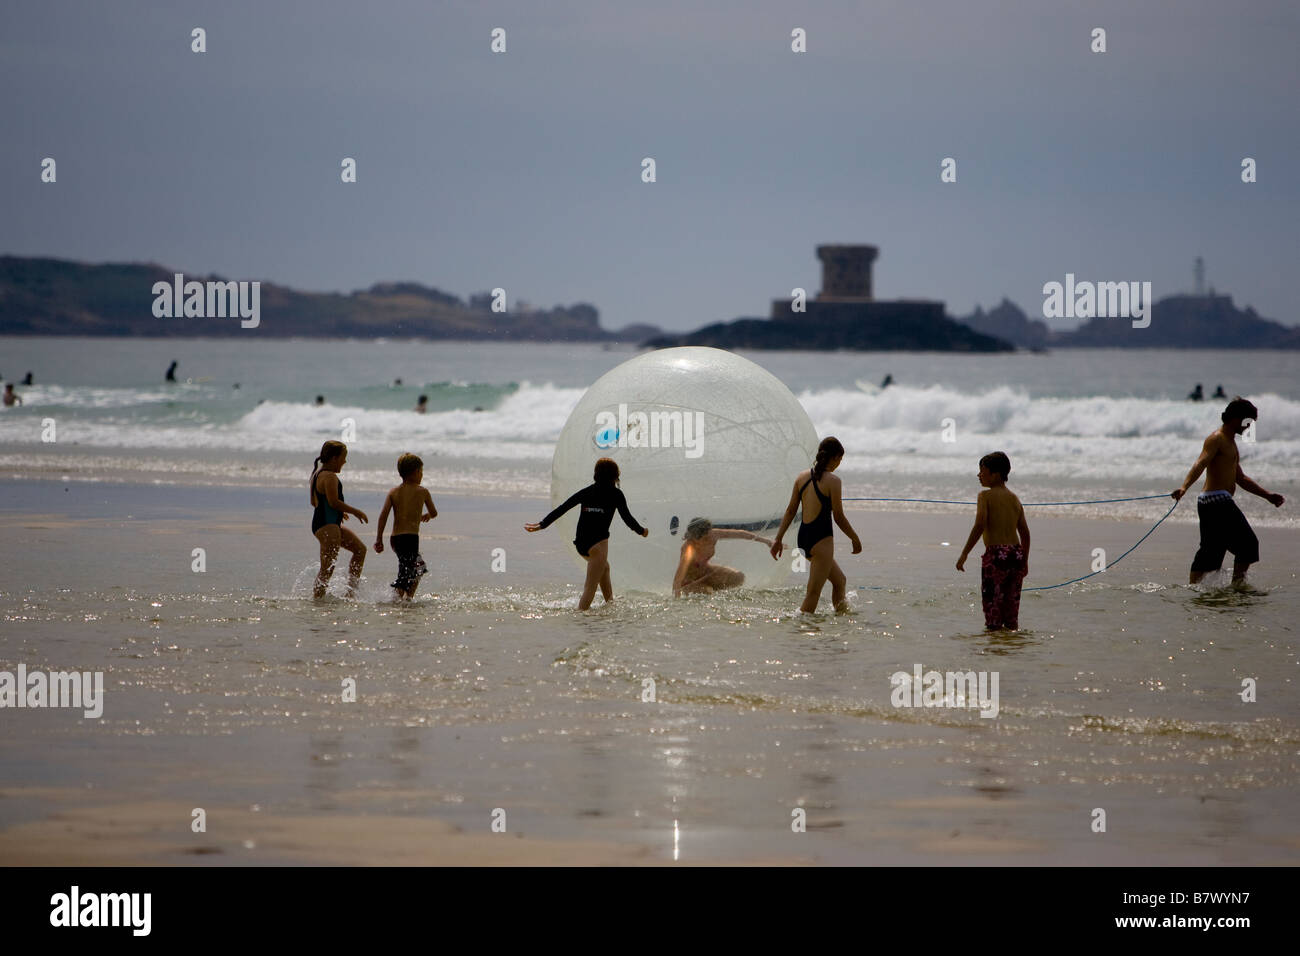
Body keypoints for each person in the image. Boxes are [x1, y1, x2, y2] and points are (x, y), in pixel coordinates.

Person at [1172, 396, 1284, 585]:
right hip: (1217, 501)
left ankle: (1194, 588)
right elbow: (1201, 463)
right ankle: (1237, 586)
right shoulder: (1217, 439)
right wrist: (1184, 487)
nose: (1249, 427)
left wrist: (1267, 496)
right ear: (1236, 418)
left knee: (1212, 549)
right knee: (1247, 545)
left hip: (1213, 503)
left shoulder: (1231, 443)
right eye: (1248, 422)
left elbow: (1240, 478)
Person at [525, 457, 648, 610]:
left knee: (604, 568)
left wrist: (542, 524)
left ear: (596, 474)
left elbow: (563, 507)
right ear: (615, 476)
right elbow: (627, 518)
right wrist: (642, 531)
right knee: (589, 589)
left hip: (581, 544)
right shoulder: (616, 494)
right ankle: (580, 618)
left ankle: (610, 604)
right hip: (598, 546)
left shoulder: (587, 491)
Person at [770, 437, 862, 613]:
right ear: (834, 458)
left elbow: (790, 511)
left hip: (804, 538)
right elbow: (839, 517)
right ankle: (800, 630)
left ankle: (841, 618)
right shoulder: (834, 481)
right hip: (821, 540)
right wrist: (854, 538)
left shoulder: (801, 477)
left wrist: (778, 539)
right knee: (813, 593)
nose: (839, 464)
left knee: (839, 581)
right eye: (840, 460)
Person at [956, 452, 1031, 630]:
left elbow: (980, 525)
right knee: (1011, 611)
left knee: (993, 609)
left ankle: (994, 650)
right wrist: (1025, 561)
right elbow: (1025, 533)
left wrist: (964, 553)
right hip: (1016, 554)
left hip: (997, 556)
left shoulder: (985, 496)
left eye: (982, 471)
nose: (979, 475)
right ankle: (1010, 646)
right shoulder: (1014, 498)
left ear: (995, 474)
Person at [309, 440, 368, 598]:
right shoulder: (330, 477)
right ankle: (318, 600)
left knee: (360, 550)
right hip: (327, 526)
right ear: (334, 458)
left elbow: (315, 501)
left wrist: (340, 513)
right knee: (327, 568)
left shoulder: (317, 475)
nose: (344, 461)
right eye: (343, 457)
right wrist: (355, 511)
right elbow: (333, 501)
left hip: (324, 523)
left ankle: (351, 593)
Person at [374, 453, 437, 600]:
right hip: (410, 539)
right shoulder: (422, 491)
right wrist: (427, 515)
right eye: (421, 472)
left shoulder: (393, 492)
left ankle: (407, 598)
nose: (422, 475)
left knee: (416, 568)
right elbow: (434, 512)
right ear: (416, 472)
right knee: (411, 570)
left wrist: (379, 539)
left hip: (395, 539)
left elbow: (383, 516)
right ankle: (399, 600)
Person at [672, 518, 772, 597]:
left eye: (707, 536)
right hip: (690, 581)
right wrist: (676, 600)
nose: (706, 540)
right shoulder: (689, 549)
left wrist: (768, 542)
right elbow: (678, 578)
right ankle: (708, 591)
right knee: (707, 593)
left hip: (707, 572)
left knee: (738, 577)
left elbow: (741, 534)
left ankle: (716, 590)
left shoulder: (713, 534)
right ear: (694, 538)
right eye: (702, 539)